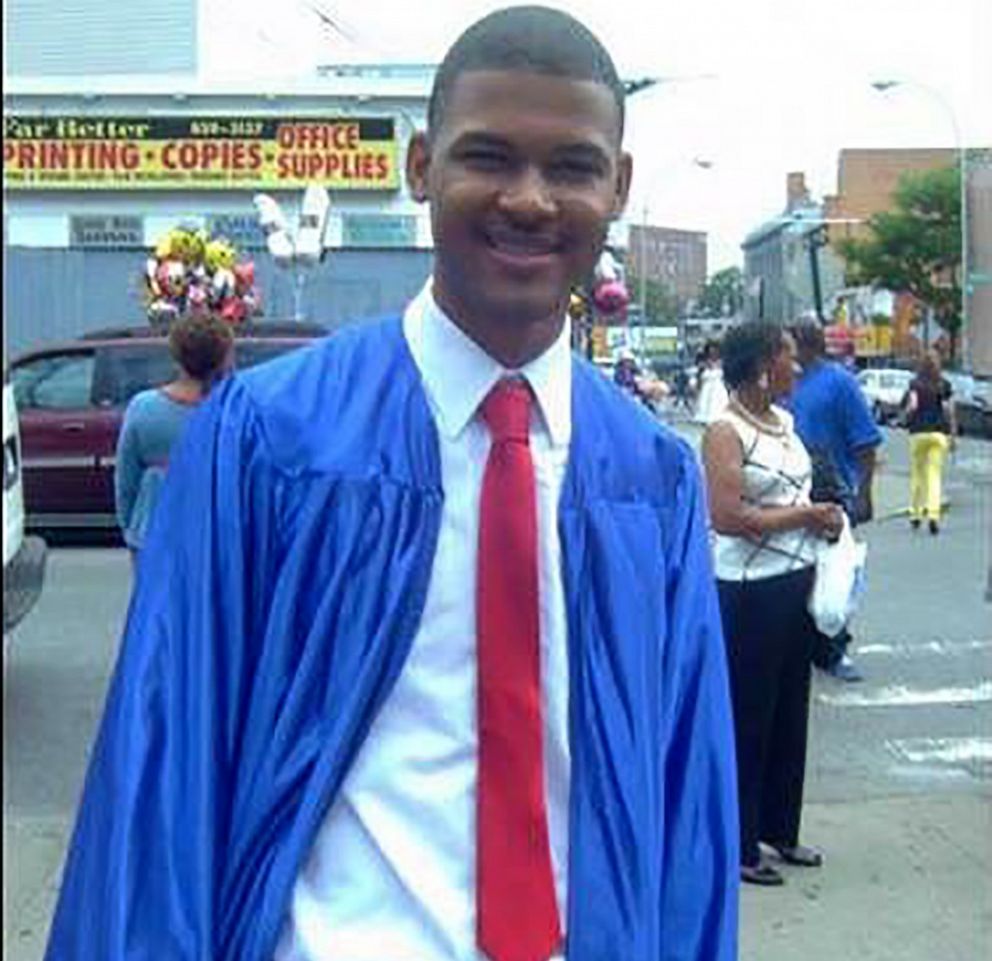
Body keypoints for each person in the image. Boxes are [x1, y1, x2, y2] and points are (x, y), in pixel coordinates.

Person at [45, 7, 739, 961]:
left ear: (617, 186)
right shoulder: (270, 440)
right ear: (422, 165)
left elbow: (686, 811)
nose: (530, 199)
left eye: (572, 167)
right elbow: (161, 772)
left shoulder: (651, 479)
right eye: (487, 156)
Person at [702, 323, 844, 887]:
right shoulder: (725, 431)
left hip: (795, 580)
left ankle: (781, 827)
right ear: (764, 364)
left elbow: (796, 493)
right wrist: (807, 516)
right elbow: (728, 516)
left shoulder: (784, 424)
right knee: (748, 716)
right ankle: (739, 844)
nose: (798, 366)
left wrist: (825, 516)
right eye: (788, 356)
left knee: (790, 711)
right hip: (747, 591)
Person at [789, 322, 882, 682]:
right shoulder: (781, 383)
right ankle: (803, 646)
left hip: (832, 490)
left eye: (790, 344)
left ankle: (835, 648)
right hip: (790, 492)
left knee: (834, 574)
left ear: (807, 345)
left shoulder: (839, 383)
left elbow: (866, 442)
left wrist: (864, 493)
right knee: (796, 574)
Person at [114, 313, 234, 566]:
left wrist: (130, 526)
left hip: (153, 531)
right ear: (224, 358)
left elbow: (126, 481)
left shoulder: (143, 408)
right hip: (218, 536)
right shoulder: (235, 411)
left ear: (177, 356)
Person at [904, 350, 956, 534]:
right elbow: (948, 411)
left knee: (918, 475)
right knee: (934, 476)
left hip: (918, 433)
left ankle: (915, 515)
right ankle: (933, 515)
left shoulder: (915, 384)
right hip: (938, 434)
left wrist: (907, 417)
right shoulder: (944, 385)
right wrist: (952, 435)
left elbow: (913, 406)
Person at [694, 339, 729, 425]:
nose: (713, 351)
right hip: (707, 388)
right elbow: (699, 376)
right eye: (711, 349)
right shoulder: (703, 362)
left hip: (719, 388)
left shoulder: (723, 361)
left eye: (715, 349)